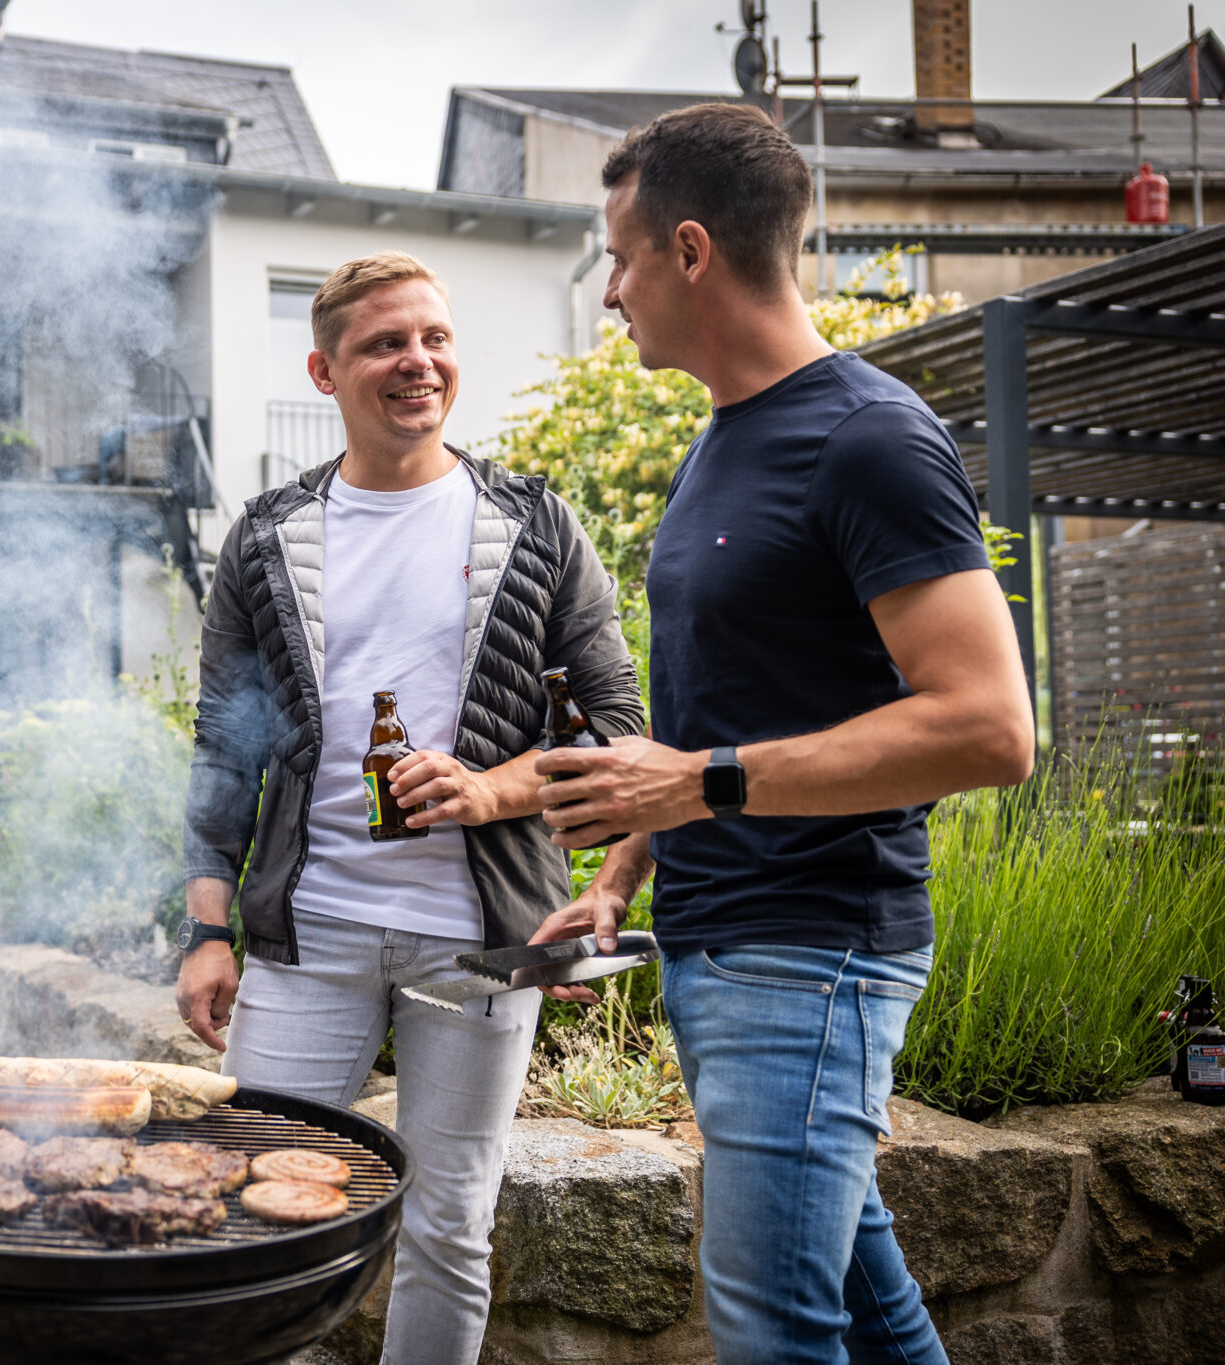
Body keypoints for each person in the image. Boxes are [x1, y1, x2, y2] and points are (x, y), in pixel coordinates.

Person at [529, 104, 1035, 1365]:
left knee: (771, 1335)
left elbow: (986, 726)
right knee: (870, 1315)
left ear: (690, 251)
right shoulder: (720, 443)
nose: (608, 295)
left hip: (807, 956)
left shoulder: (865, 437)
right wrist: (621, 869)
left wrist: (695, 781)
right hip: (730, 946)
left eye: (620, 256)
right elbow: (728, 715)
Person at [175, 251, 643, 1365]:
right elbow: (219, 755)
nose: (416, 362)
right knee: (252, 1205)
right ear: (324, 371)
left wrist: (490, 789)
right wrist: (203, 929)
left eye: (432, 337)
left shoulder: (534, 523)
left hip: (485, 943)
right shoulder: (264, 536)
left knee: (448, 1222)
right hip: (308, 933)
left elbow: (617, 733)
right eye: (384, 343)